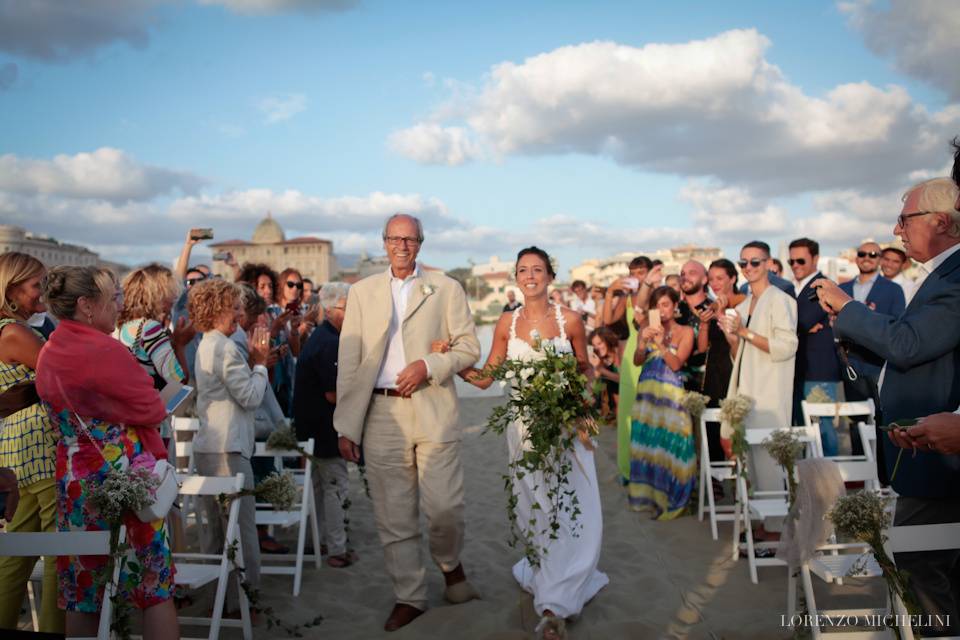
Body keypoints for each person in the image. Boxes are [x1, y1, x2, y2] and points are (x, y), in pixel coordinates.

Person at [814, 177, 960, 637]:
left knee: (917, 557)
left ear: (939, 221)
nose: (897, 230)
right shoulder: (938, 273)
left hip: (943, 454)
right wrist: (851, 336)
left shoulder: (955, 275)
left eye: (904, 219)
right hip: (924, 442)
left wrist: (847, 307)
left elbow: (909, 343)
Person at [333, 213, 481, 632]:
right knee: (393, 514)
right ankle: (410, 597)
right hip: (380, 413)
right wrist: (346, 424)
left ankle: (451, 566)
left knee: (445, 507)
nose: (401, 245)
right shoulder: (360, 292)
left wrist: (429, 365)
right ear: (384, 243)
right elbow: (350, 360)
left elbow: (469, 347)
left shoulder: (447, 287)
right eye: (394, 238)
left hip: (433, 405)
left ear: (420, 243)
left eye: (410, 239)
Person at [456, 246, 607, 637]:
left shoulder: (571, 320)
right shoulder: (506, 324)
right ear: (516, 277)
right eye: (523, 269)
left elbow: (586, 370)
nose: (530, 275)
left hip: (566, 429)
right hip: (522, 428)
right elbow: (489, 376)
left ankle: (556, 602)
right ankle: (551, 574)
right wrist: (454, 364)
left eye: (537, 269)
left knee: (572, 500)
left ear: (550, 276)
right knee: (533, 504)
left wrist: (584, 410)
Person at [35, 266, 179, 640]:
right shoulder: (106, 350)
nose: (119, 305)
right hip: (125, 479)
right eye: (113, 296)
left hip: (74, 483)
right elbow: (151, 408)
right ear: (86, 305)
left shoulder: (49, 352)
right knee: (152, 583)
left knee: (83, 590)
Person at [190, 278, 271, 614]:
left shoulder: (205, 344)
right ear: (218, 308)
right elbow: (251, 398)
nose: (240, 313)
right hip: (229, 449)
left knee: (214, 529)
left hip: (207, 446)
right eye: (235, 306)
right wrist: (261, 363)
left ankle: (219, 596)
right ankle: (245, 600)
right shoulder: (224, 348)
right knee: (241, 527)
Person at [0, 252, 63, 633]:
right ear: (11, 289)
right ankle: (55, 629)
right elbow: (61, 375)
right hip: (38, 447)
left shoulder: (10, 329)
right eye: (38, 284)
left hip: (16, 449)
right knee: (58, 551)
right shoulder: (15, 332)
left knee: (17, 552)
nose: (45, 291)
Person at [723, 241, 798, 495]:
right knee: (750, 462)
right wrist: (732, 338)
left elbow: (787, 346)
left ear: (768, 264)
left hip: (770, 393)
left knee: (769, 462)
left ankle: (775, 524)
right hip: (746, 393)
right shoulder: (743, 307)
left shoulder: (780, 300)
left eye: (755, 262)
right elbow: (739, 357)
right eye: (743, 262)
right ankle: (759, 520)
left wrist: (743, 331)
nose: (748, 267)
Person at [293, 282, 358, 568]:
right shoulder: (330, 341)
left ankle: (323, 543)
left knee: (321, 488)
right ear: (330, 309)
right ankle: (336, 549)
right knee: (335, 486)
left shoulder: (323, 336)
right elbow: (333, 393)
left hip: (311, 427)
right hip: (323, 426)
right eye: (348, 307)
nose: (353, 312)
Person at [629, 286, 695, 519]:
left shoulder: (686, 331)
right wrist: (641, 343)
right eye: (657, 306)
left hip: (672, 396)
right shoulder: (645, 329)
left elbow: (677, 364)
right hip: (648, 396)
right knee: (650, 446)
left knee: (674, 445)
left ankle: (675, 497)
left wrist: (660, 344)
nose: (662, 310)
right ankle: (651, 498)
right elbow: (638, 361)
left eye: (666, 305)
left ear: (676, 305)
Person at [115, 264, 194, 432]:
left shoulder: (120, 327)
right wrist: (180, 345)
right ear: (156, 294)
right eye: (170, 291)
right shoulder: (149, 329)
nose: (174, 298)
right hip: (152, 430)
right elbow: (179, 382)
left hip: (125, 426)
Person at [787, 238, 842, 454]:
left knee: (822, 429)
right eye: (791, 261)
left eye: (800, 260)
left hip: (819, 371)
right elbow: (799, 324)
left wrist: (794, 325)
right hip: (798, 369)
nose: (795, 265)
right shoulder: (790, 288)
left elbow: (799, 321)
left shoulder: (824, 286)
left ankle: (830, 483)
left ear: (815, 259)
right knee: (803, 430)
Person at [603, 256, 656, 482]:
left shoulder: (658, 297)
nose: (637, 277)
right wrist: (610, 293)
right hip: (629, 362)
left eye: (641, 272)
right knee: (626, 417)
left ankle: (651, 472)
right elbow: (608, 322)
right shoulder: (625, 299)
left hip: (653, 357)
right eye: (633, 273)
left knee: (651, 418)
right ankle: (627, 470)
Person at [838, 241, 905, 414]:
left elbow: (898, 324)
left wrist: (870, 316)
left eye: (873, 255)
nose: (867, 258)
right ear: (856, 258)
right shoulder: (842, 289)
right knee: (855, 419)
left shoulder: (894, 289)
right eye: (862, 254)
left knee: (880, 417)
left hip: (878, 364)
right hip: (850, 363)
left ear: (880, 260)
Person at [696, 259, 745, 464]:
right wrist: (705, 323)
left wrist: (722, 314)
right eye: (711, 278)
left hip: (737, 368)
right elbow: (701, 347)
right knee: (713, 425)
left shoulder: (745, 303)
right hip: (715, 371)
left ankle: (740, 475)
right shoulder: (709, 305)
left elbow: (738, 341)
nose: (714, 283)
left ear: (733, 278)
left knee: (735, 423)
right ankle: (715, 478)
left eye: (720, 278)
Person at [677, 260, 709, 391]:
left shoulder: (715, 308)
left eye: (692, 273)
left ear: (704, 279)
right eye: (683, 273)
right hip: (676, 383)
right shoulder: (672, 310)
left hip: (706, 382)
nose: (685, 277)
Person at [589, 326, 620, 418]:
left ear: (607, 340)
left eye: (599, 343)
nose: (597, 348)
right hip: (613, 411)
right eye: (594, 345)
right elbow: (594, 385)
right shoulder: (601, 359)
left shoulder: (618, 353)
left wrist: (600, 368)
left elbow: (622, 379)